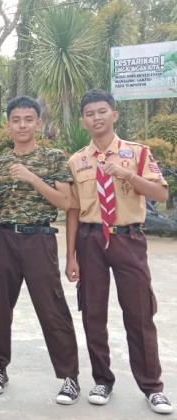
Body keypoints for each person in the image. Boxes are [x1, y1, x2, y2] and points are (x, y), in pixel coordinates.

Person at [66, 89, 172, 414]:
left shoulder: (137, 153)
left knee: (139, 313)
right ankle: (102, 380)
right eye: (90, 114)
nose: (96, 118)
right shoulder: (77, 160)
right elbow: (73, 209)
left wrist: (128, 174)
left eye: (102, 111)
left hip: (128, 238)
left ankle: (152, 387)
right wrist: (70, 255)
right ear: (83, 121)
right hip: (90, 239)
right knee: (93, 313)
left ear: (115, 114)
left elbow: (161, 194)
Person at [0, 96, 80, 404]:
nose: (22, 125)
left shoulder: (53, 158)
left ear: (38, 123)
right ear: (8, 125)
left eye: (28, 120)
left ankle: (69, 377)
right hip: (4, 239)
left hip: (39, 238)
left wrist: (32, 177)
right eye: (16, 120)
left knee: (52, 307)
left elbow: (66, 202)